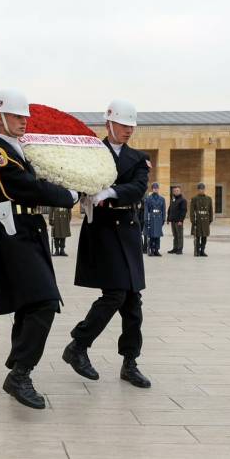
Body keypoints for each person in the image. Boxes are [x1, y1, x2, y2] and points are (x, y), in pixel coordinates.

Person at [0, 87, 81, 409]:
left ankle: (18, 367)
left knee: (29, 306)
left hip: (30, 230)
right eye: (16, 116)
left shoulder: (21, 151)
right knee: (44, 303)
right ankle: (20, 373)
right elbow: (26, 188)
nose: (23, 121)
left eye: (24, 116)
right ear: (0, 117)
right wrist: (68, 196)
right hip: (16, 232)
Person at [66, 99, 152, 388]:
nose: (128, 130)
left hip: (127, 229)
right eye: (123, 125)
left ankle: (130, 362)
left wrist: (110, 192)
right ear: (109, 124)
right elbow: (77, 179)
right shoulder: (92, 153)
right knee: (115, 293)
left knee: (132, 300)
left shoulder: (138, 158)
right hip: (102, 230)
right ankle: (79, 344)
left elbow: (138, 188)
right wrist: (89, 193)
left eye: (131, 126)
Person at [190, 183, 213, 256]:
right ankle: (197, 250)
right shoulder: (194, 199)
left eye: (202, 189)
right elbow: (192, 211)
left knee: (204, 237)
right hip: (198, 220)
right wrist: (193, 220)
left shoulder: (208, 199)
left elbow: (210, 210)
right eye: (200, 189)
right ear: (198, 190)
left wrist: (210, 219)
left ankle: (202, 250)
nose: (201, 190)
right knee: (197, 237)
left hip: (205, 220)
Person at [144, 182, 167, 256]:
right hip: (151, 218)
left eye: (157, 188)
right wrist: (146, 219)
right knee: (151, 235)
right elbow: (146, 210)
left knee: (158, 235)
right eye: (154, 188)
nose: (155, 189)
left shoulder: (162, 199)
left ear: (158, 189)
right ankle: (151, 249)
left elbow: (163, 210)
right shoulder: (148, 199)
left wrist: (163, 218)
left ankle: (156, 250)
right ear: (152, 189)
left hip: (159, 218)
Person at [167, 185, 187, 254]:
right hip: (173, 220)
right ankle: (175, 248)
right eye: (175, 191)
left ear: (180, 191)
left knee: (179, 235)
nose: (176, 192)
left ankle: (179, 249)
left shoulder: (183, 200)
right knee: (175, 235)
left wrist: (181, 220)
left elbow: (183, 211)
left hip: (178, 221)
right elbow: (170, 209)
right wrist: (168, 218)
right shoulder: (173, 199)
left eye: (177, 190)